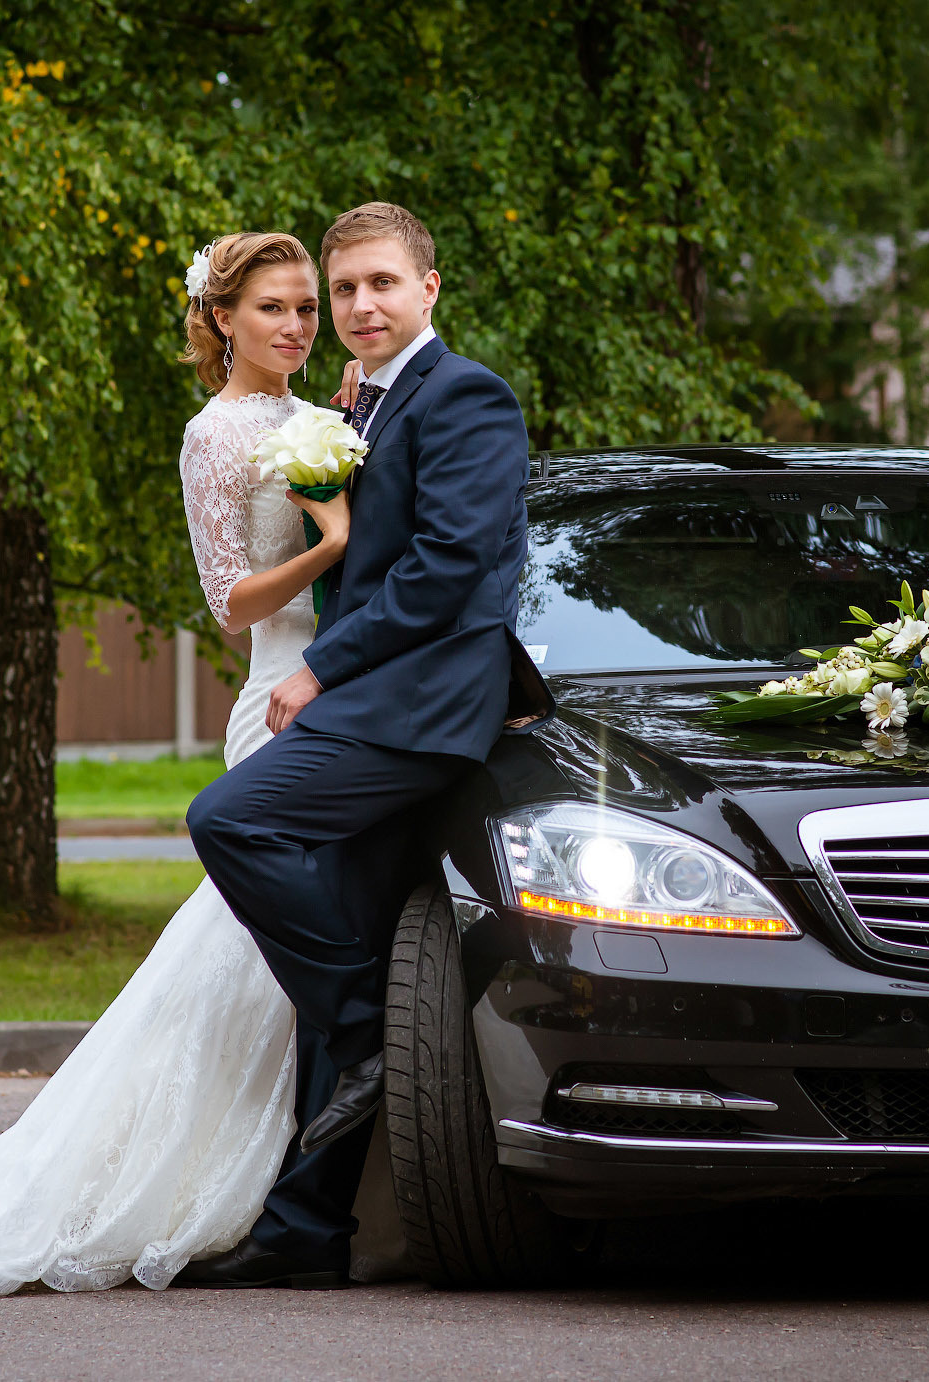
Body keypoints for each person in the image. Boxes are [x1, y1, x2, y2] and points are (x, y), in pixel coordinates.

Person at [0, 230, 390, 1294]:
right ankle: (209, 1189)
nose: (293, 326)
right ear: (222, 319)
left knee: (282, 971)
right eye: (273, 308)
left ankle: (316, 1195)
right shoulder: (216, 435)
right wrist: (327, 548)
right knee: (247, 965)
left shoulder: (319, 419)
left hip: (339, 690)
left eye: (304, 310)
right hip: (276, 701)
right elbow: (226, 599)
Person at [174, 201, 550, 1289]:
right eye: (345, 291)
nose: (359, 306)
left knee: (230, 819)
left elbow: (446, 568)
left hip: (419, 706)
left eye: (381, 283)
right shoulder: (361, 405)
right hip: (376, 699)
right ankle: (304, 1230)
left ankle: (368, 1028)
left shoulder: (466, 392)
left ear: (428, 287)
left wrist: (319, 668)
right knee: (342, 931)